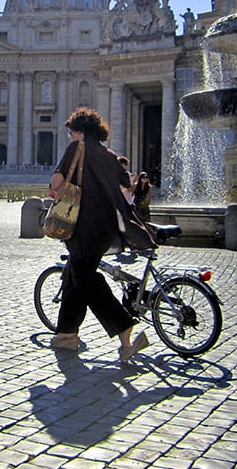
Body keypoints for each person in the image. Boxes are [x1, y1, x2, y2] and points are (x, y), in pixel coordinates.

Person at [48, 108, 155, 363]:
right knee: (76, 276)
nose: (70, 136)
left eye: (71, 131)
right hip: (106, 229)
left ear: (81, 132)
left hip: (82, 226)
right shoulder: (110, 155)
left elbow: (55, 182)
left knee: (87, 279)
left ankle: (124, 329)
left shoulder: (77, 148)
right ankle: (66, 335)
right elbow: (126, 183)